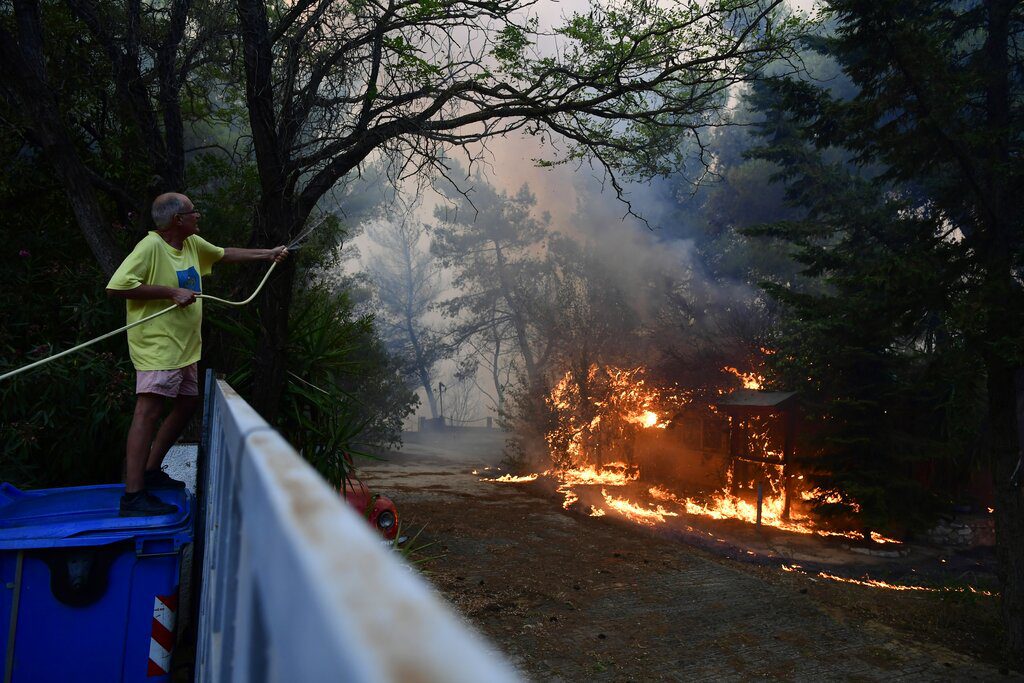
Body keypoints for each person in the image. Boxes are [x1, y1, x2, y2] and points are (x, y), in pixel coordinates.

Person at [106, 192, 288, 516]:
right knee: (147, 412)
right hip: (158, 347)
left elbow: (225, 254)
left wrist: (268, 254)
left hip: (186, 348)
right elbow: (117, 286)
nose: (198, 216)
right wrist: (170, 292)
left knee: (188, 402)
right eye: (193, 212)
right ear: (177, 220)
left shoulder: (191, 244)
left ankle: (151, 471)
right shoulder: (151, 248)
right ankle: (133, 495)